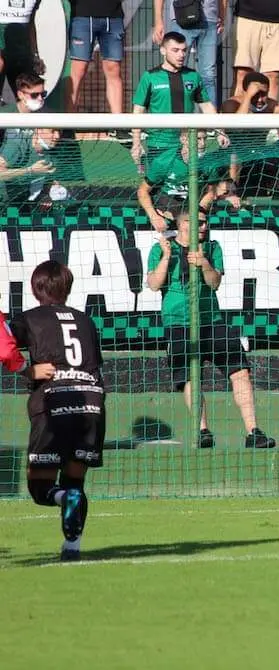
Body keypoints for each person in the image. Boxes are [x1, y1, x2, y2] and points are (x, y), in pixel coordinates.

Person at [146, 212, 276, 450]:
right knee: (189, 378)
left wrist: (204, 262)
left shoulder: (212, 248)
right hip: (178, 322)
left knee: (240, 372)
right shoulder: (161, 249)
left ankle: (253, 431)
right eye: (197, 222)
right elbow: (154, 285)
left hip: (212, 320)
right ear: (181, 224)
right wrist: (166, 257)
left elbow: (214, 283)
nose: (203, 226)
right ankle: (203, 430)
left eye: (205, 222)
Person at [8, 261, 106, 561]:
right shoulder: (85, 321)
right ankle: (72, 549)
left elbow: (3, 345)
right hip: (92, 402)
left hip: (54, 403)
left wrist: (27, 369)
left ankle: (63, 498)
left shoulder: (29, 319)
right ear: (68, 287)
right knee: (75, 479)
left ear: (36, 289)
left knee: (41, 487)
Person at [131, 31, 228, 169]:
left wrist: (220, 132)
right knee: (157, 186)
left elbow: (207, 107)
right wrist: (136, 143)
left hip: (186, 144)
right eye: (175, 50)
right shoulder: (150, 77)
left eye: (184, 50)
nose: (181, 55)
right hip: (159, 143)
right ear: (163, 51)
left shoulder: (193, 76)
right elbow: (138, 111)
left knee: (187, 185)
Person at [219, 71, 279, 200]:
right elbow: (237, 127)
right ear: (245, 92)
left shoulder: (276, 108)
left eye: (264, 94)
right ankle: (232, 196)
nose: (261, 100)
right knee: (233, 150)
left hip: (262, 155)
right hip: (237, 156)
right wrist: (247, 99)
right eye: (256, 95)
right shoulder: (231, 105)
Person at [137, 130, 236, 232]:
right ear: (184, 140)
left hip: (194, 207)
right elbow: (142, 191)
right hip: (166, 207)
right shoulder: (164, 162)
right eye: (198, 139)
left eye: (204, 139)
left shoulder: (210, 164)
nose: (202, 144)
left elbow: (211, 192)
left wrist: (198, 212)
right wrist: (154, 217)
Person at [66, 0, 127, 133]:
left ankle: (118, 125)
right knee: (79, 69)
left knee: (113, 68)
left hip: (113, 17)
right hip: (82, 16)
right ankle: (68, 125)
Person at [152, 0, 223, 105]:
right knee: (175, 70)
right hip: (183, 14)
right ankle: (176, 114)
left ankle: (209, 119)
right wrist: (158, 21)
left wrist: (222, 15)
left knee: (208, 75)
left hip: (210, 19)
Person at [231, 0, 279, 102]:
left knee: (273, 77)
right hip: (247, 17)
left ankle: (267, 114)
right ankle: (239, 114)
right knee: (242, 74)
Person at [0, 126, 59, 203]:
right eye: (53, 131)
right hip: (5, 203)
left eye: (60, 132)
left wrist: (45, 194)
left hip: (27, 203)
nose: (57, 136)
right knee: (13, 213)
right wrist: (30, 170)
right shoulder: (17, 146)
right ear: (38, 130)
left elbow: (49, 182)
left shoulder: (54, 154)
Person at [0, 0, 41, 92]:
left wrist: (35, 55)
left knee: (28, 96)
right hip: (2, 49)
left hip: (22, 52)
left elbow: (31, 23)